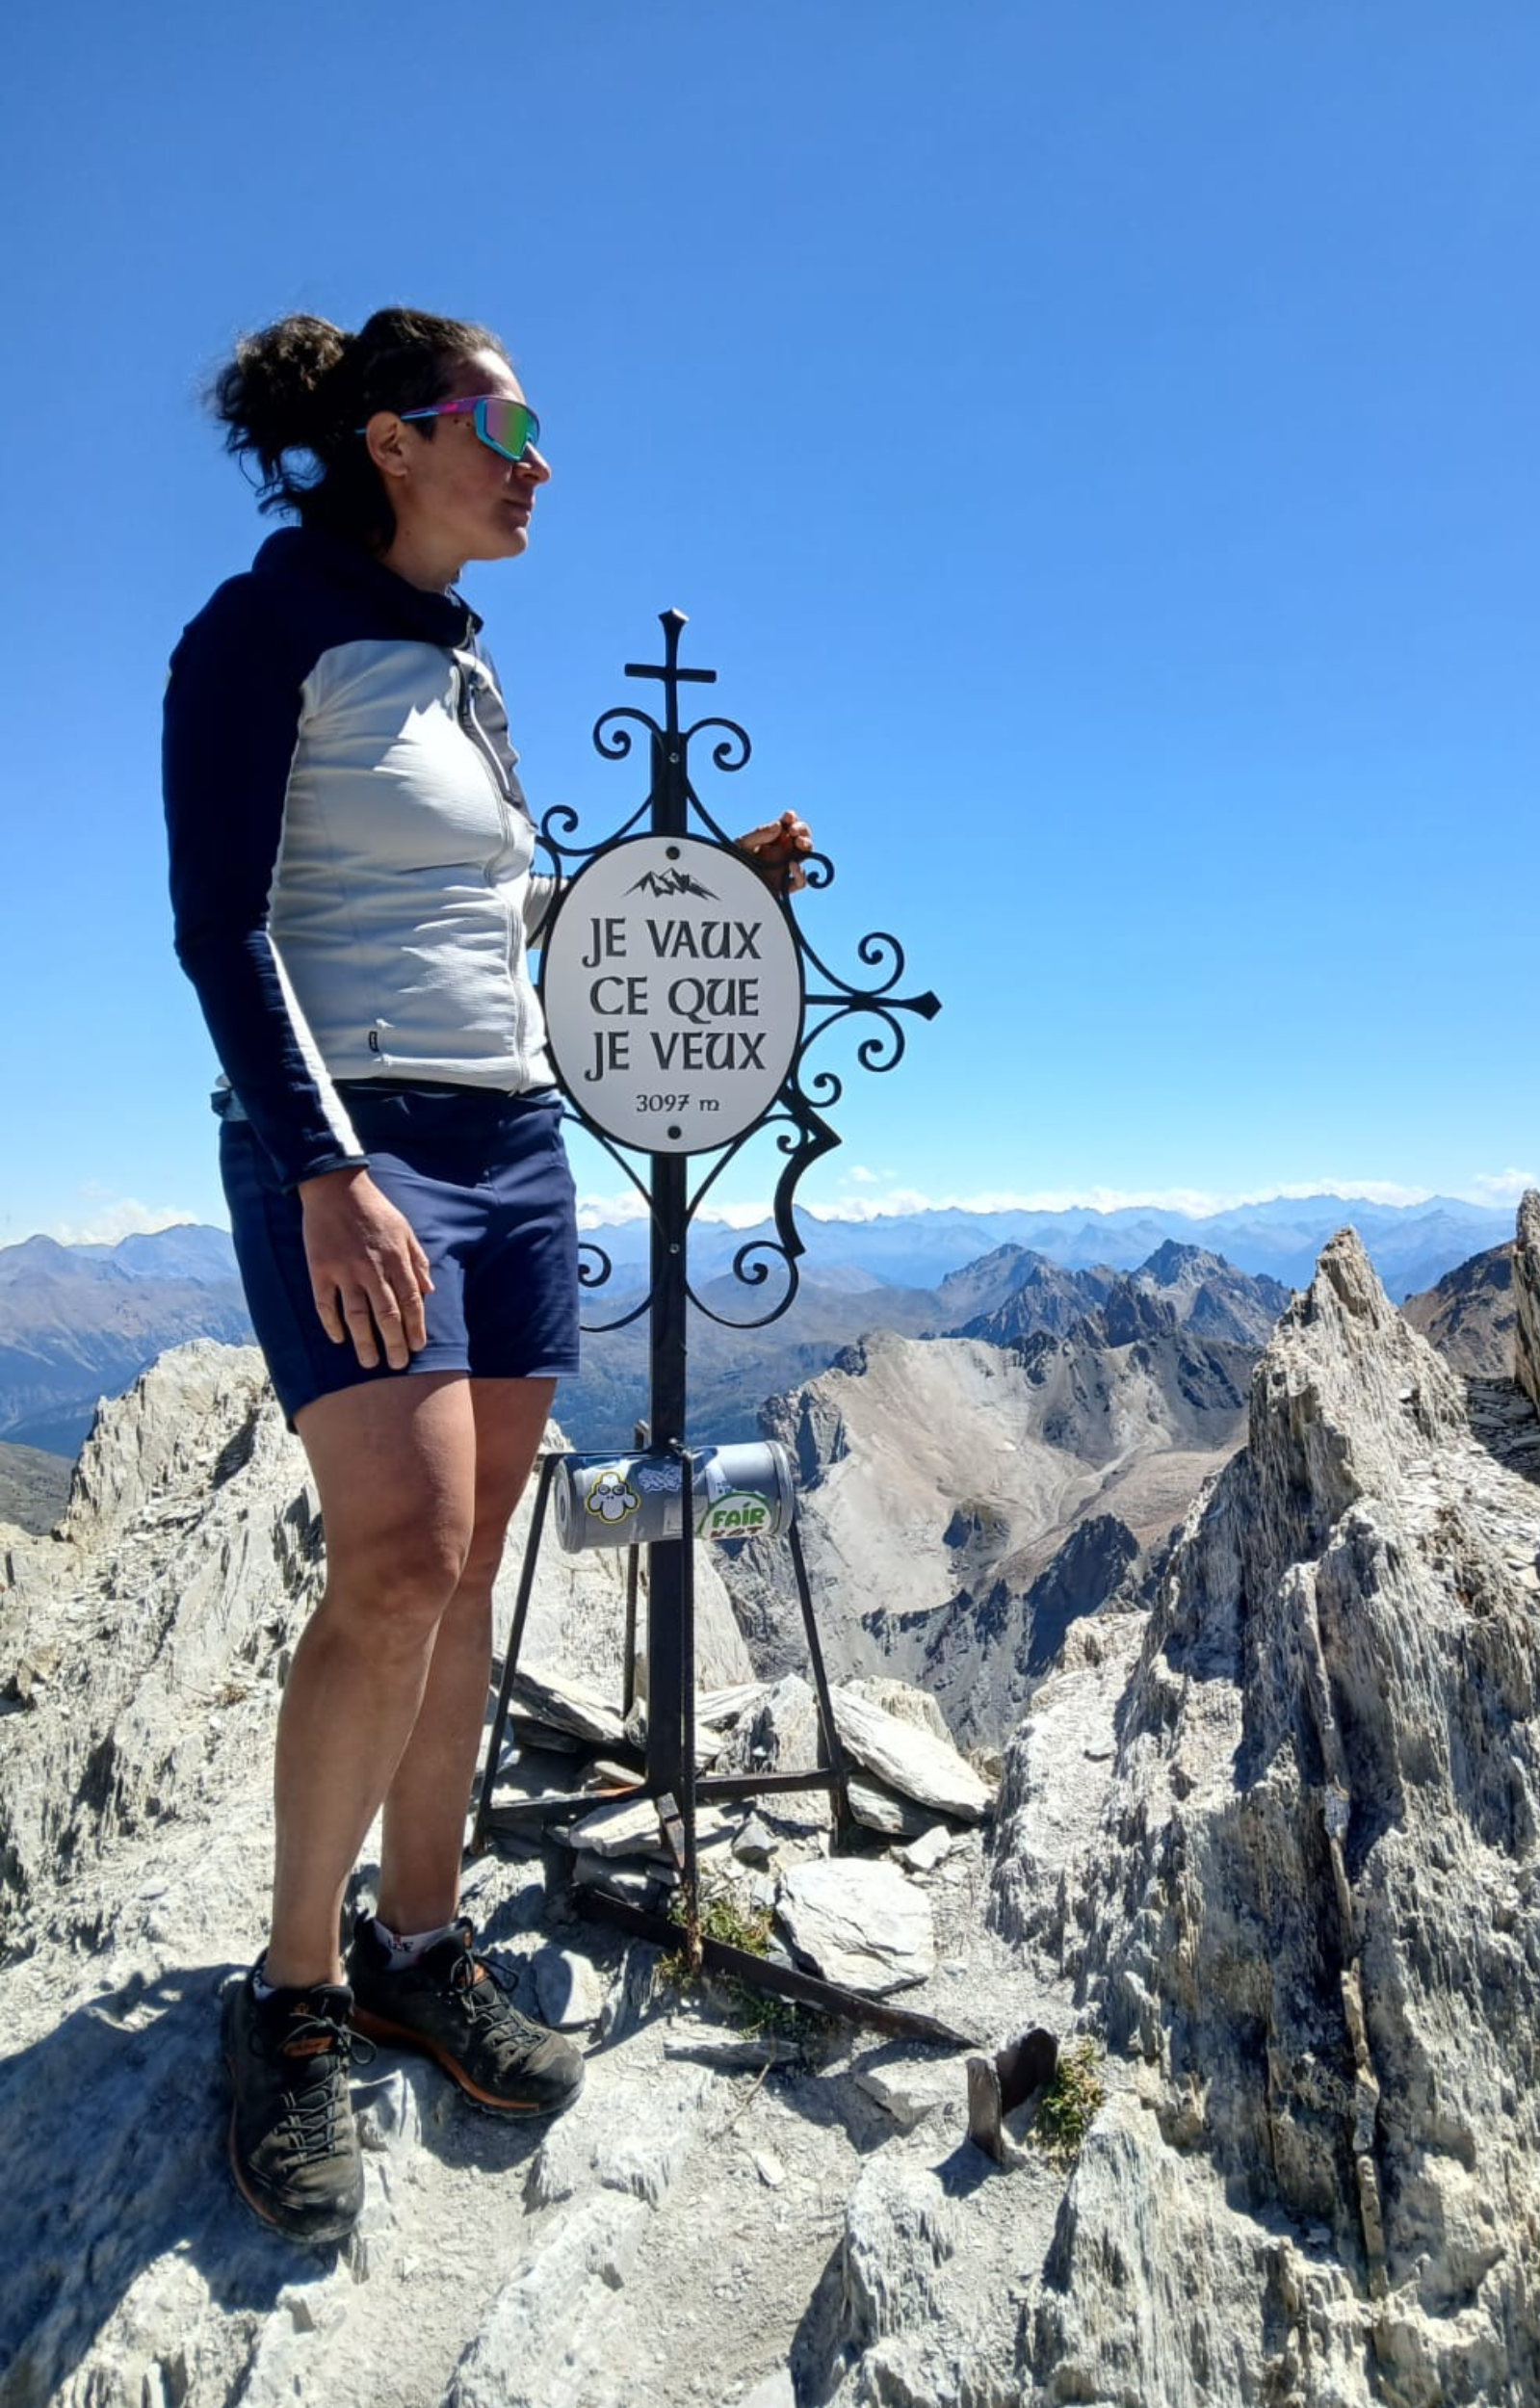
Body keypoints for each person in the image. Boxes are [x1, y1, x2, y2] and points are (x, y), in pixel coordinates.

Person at [163, 306, 810, 2246]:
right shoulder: (258, 630)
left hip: (513, 1142)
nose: (539, 465)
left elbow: (479, 902)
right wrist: (324, 1170)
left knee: (465, 1567)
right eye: (506, 429)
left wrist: (692, 887)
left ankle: (417, 1943)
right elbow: (220, 927)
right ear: (394, 440)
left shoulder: (462, 658)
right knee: (398, 1557)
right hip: (355, 1145)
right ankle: (289, 1996)